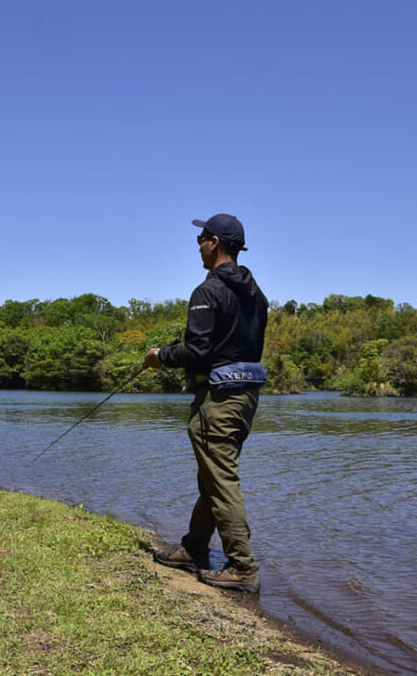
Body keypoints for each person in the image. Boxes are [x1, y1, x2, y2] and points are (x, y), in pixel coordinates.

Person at [143, 213, 269, 593]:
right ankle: (195, 548)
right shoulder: (258, 295)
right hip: (246, 398)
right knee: (213, 477)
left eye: (201, 238)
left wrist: (159, 356)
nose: (197, 245)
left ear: (214, 242)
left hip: (217, 399)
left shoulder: (207, 292)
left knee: (221, 479)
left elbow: (198, 350)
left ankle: (242, 566)